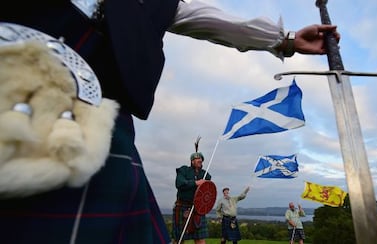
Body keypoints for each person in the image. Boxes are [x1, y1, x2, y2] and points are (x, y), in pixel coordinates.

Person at [0, 0, 339, 243]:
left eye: (198, 159)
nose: (196, 161)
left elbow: (205, 17)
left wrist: (285, 39)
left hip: (98, 123)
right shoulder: (182, 172)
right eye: (195, 159)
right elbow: (183, 186)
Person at [172, 138, 212, 244]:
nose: (199, 160)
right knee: (179, 239)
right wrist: (195, 183)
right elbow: (179, 184)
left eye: (201, 159)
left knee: (200, 239)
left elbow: (207, 193)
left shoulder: (206, 175)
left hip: (198, 209)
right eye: (196, 159)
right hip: (182, 206)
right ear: (192, 161)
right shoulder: (183, 170)